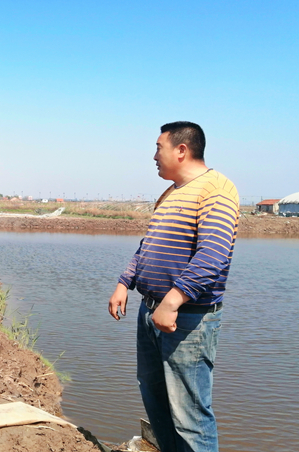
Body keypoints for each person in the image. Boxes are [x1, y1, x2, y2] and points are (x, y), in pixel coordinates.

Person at [108, 122, 239, 452]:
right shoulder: (171, 192)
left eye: (158, 148)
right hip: (151, 312)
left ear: (181, 150)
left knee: (190, 414)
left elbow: (214, 253)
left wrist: (173, 301)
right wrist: (125, 282)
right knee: (157, 402)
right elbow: (149, 245)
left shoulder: (217, 189)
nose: (154, 156)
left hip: (187, 318)